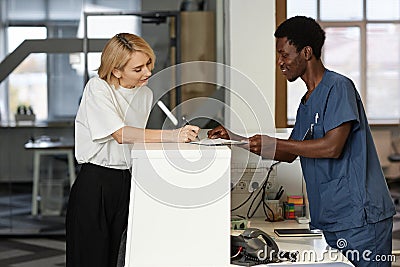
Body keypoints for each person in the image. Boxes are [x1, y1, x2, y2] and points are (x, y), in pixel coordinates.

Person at [208, 16, 395, 266]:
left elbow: (332, 147)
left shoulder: (339, 87)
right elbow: (289, 153)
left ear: (306, 52)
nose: (280, 62)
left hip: (361, 218)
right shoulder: (307, 103)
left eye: (284, 54)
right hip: (333, 217)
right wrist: (237, 140)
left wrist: (275, 142)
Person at [66, 33, 199, 267]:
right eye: (138, 69)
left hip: (128, 179)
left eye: (148, 64)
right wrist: (172, 136)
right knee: (89, 258)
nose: (147, 72)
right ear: (116, 70)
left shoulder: (144, 94)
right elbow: (121, 134)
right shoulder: (98, 88)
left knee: (122, 257)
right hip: (96, 183)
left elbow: (137, 141)